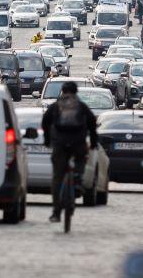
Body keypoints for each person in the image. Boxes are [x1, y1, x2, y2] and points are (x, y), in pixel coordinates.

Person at [41, 81, 98, 222]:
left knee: (57, 177)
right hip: (77, 142)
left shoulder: (55, 106)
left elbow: (45, 122)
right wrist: (94, 142)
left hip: (59, 143)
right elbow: (92, 123)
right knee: (81, 158)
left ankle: (56, 212)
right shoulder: (81, 106)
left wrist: (48, 140)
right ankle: (78, 177)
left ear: (62, 91)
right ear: (76, 92)